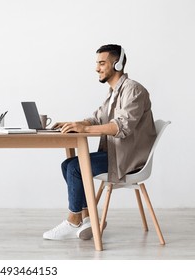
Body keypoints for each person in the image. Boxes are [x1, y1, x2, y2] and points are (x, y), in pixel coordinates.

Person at [43, 44, 157, 240]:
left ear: (117, 64)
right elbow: (97, 118)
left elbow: (121, 127)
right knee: (68, 164)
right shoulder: (113, 92)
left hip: (127, 158)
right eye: (97, 63)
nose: (97, 68)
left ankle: (73, 220)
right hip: (115, 153)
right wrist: (75, 123)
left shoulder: (134, 90)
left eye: (102, 63)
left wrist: (85, 129)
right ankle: (88, 217)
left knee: (76, 168)